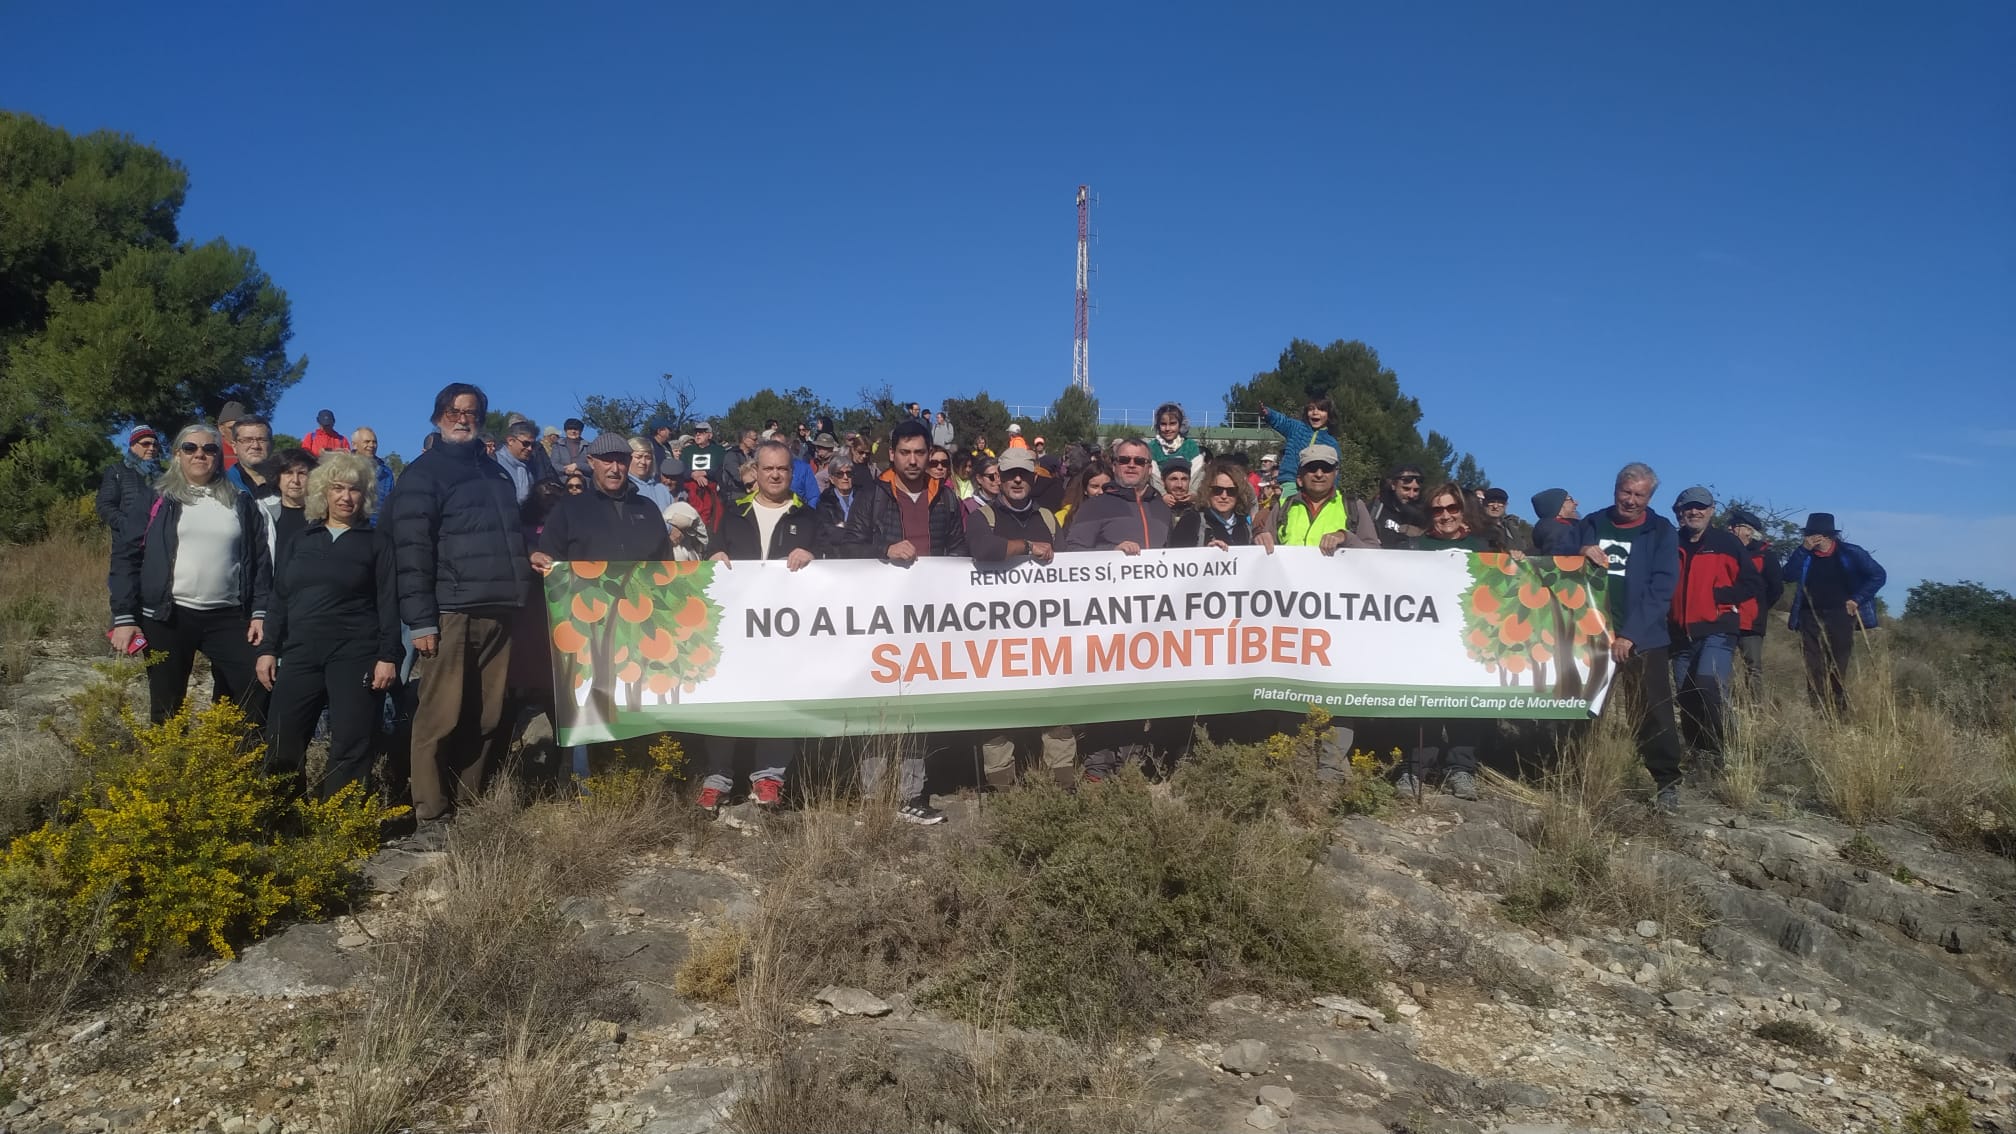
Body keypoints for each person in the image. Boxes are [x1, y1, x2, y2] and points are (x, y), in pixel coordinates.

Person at [386, 382, 531, 822]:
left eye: (470, 411)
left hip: (500, 608)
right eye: (453, 410)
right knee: (439, 715)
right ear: (437, 417)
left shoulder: (497, 474)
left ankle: (469, 801)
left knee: (486, 716)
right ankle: (430, 808)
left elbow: (508, 539)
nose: (461, 417)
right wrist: (421, 621)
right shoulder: (422, 474)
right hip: (451, 611)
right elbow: (411, 553)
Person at [834, 419, 968, 824]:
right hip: (881, 614)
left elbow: (959, 549)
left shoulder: (944, 498)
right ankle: (875, 795)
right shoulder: (873, 495)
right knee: (880, 702)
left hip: (929, 616)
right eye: (905, 452)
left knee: (915, 704)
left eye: (920, 453)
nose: (913, 460)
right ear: (891, 455)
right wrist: (885, 548)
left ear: (930, 455)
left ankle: (911, 794)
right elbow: (846, 545)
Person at [256, 453, 399, 799]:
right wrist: (267, 649)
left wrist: (388, 655)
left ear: (365, 496)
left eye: (354, 489)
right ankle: (282, 817)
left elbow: (388, 602)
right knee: (282, 735)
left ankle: (340, 825)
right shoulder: (302, 540)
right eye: (337, 488)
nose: (345, 497)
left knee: (351, 739)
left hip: (355, 653)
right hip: (301, 652)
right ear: (324, 492)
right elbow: (280, 598)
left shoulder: (376, 542)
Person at [109, 424, 271, 724]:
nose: (200, 454)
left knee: (254, 686)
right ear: (177, 455)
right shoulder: (157, 497)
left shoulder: (240, 501)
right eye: (190, 448)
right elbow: (126, 556)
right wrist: (124, 617)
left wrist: (260, 611)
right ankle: (171, 768)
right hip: (168, 616)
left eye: (210, 449)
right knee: (167, 706)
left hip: (229, 615)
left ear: (219, 457)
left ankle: (238, 763)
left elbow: (260, 561)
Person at [695, 440, 817, 813]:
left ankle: (769, 778)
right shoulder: (733, 514)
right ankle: (717, 778)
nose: (776, 475)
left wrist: (814, 556)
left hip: (786, 628)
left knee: (779, 698)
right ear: (756, 473)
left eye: (782, 469)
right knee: (726, 698)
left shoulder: (808, 517)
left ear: (792, 473)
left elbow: (832, 562)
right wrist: (714, 554)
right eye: (768, 469)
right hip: (735, 627)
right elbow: (712, 554)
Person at [1062, 437, 1175, 780]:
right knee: (1106, 692)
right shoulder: (1096, 506)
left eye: (1138, 461)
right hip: (1105, 616)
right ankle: (1097, 765)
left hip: (1150, 617)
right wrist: (1110, 552)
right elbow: (1073, 552)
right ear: (1114, 464)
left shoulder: (1162, 509)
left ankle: (1129, 763)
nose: (1131, 465)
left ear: (1149, 467)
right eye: (1124, 459)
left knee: (1139, 691)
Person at [1574, 463, 1684, 811]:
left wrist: (1630, 635)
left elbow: (1662, 588)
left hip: (1643, 638)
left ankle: (1666, 781)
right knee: (1583, 709)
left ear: (1650, 497)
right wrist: (1579, 551)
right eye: (1626, 492)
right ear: (1615, 489)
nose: (1631, 501)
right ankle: (1577, 774)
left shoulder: (1661, 531)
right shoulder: (1592, 523)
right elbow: (1555, 550)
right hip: (1591, 635)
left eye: (1640, 495)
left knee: (1652, 712)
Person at [965, 447, 1076, 789]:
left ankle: (1063, 783)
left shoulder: (1047, 517)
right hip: (996, 634)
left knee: (1057, 709)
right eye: (1009, 474)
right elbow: (983, 550)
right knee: (997, 713)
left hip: (1046, 632)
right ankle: (1003, 790)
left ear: (1033, 478)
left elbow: (1071, 569)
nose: (1016, 480)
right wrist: (1027, 547)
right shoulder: (984, 516)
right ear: (997, 477)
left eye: (1024, 475)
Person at [1389, 481, 1500, 800]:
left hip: (1469, 640)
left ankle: (1461, 769)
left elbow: (1500, 587)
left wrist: (1514, 562)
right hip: (1425, 641)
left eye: (1452, 508)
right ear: (1429, 514)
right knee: (1423, 705)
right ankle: (1414, 769)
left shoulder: (1483, 548)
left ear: (1462, 510)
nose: (1445, 515)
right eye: (1438, 510)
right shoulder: (1414, 548)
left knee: (1466, 705)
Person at [1666, 487, 1761, 765]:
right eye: (1689, 507)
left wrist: (1719, 597)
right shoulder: (1670, 543)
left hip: (1717, 629)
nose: (1695, 512)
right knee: (1686, 697)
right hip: (1679, 633)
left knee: (1709, 685)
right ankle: (1699, 753)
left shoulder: (1726, 543)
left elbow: (1753, 583)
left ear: (1711, 511)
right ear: (1680, 512)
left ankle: (1727, 748)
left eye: (1701, 507)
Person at [1783, 513, 1886, 715]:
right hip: (1809, 615)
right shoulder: (1805, 555)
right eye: (1809, 534)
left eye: (1816, 534)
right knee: (1813, 666)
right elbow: (1787, 575)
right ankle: (1819, 712)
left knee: (1837, 665)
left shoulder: (1850, 553)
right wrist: (1803, 550)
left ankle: (1839, 711)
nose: (1812, 538)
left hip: (1841, 615)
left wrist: (1857, 599)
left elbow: (1878, 575)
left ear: (1828, 536)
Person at [1262, 444, 1376, 556]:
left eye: (1326, 468)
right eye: (1312, 468)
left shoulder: (1354, 507)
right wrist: (1260, 541)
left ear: (1335, 473)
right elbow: (1263, 554)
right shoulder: (1283, 506)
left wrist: (1345, 537)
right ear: (1301, 474)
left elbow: (1375, 553)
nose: (1319, 474)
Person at [1726, 507, 1787, 701]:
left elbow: (1776, 588)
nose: (1731, 529)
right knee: (1720, 664)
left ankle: (1755, 708)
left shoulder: (1765, 555)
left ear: (1749, 531)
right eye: (1731, 526)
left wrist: (1761, 608)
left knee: (1753, 667)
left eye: (1736, 526)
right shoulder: (1723, 550)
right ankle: (1721, 705)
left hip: (1752, 622)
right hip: (1724, 618)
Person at [1259, 396, 1338, 494]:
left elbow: (1334, 469)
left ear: (1329, 415)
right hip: (1290, 481)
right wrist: (1268, 414)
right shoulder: (1297, 428)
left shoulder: (1331, 442)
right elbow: (1283, 421)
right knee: (1288, 507)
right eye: (1311, 409)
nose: (1315, 412)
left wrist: (1334, 489)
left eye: (1321, 409)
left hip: (1315, 484)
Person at [1172, 460, 1256, 548]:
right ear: (1208, 491)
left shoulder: (1244, 524)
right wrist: (1208, 553)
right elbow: (1176, 557)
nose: (1224, 496)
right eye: (1217, 490)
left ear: (1239, 494)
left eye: (1231, 491)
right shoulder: (1191, 521)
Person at [96, 427, 162, 538]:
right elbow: (105, 505)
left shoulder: (166, 475)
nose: (152, 448)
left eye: (155, 445)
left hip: (159, 543)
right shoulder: (117, 471)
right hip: (127, 545)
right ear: (133, 445)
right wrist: (128, 525)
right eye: (146, 444)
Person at [261, 447, 316, 567]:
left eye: (302, 473)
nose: (295, 480)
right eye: (288, 473)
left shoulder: (322, 515)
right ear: (277, 477)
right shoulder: (264, 512)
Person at [1368, 464, 1427, 548]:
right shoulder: (1376, 510)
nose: (1411, 495)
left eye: (1416, 490)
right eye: (1406, 489)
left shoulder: (1424, 516)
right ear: (1393, 485)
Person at [813, 453, 859, 555]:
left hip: (860, 553)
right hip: (835, 554)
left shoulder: (863, 497)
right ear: (831, 479)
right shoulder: (824, 501)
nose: (845, 477)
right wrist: (854, 529)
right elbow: (826, 532)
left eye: (849, 473)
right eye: (840, 474)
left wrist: (843, 526)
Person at [1148, 402, 1202, 478]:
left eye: (1172, 423)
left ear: (1180, 424)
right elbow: (1154, 477)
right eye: (1163, 424)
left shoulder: (1190, 446)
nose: (1167, 428)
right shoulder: (1152, 447)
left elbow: (1196, 475)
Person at [227, 418, 278, 499]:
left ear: (272, 444)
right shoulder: (223, 485)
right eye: (247, 440)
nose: (255, 446)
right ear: (234, 446)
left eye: (262, 440)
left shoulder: (288, 482)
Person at [351, 427, 397, 514]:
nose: (371, 445)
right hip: (353, 523)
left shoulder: (386, 473)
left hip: (378, 525)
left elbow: (391, 504)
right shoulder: (343, 468)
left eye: (374, 442)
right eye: (367, 442)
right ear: (354, 445)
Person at [1055, 460, 1111, 529]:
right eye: (1095, 486)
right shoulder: (1064, 517)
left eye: (1106, 487)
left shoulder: (1121, 514)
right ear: (1085, 489)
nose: (1101, 492)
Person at [495, 419, 540, 505]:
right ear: (510, 441)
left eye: (533, 445)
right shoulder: (495, 463)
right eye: (526, 443)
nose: (530, 448)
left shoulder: (532, 467)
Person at [624, 438, 673, 512]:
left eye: (647, 457)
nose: (643, 462)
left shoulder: (663, 490)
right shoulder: (623, 488)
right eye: (638, 457)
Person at [1529, 488, 1581, 555]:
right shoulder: (1558, 531)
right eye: (1570, 499)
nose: (1576, 503)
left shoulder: (1559, 529)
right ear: (1558, 509)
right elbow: (1559, 560)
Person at [216, 401, 247, 469]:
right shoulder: (213, 453)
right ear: (221, 429)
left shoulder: (253, 451)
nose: (237, 432)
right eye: (231, 428)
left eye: (241, 428)